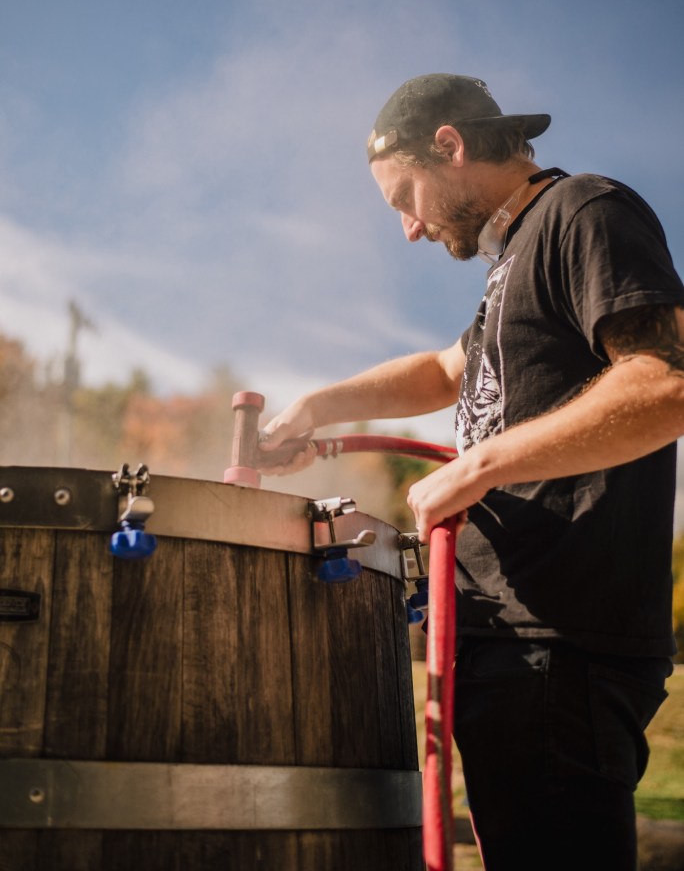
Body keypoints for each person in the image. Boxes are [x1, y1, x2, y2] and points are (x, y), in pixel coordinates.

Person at [258, 73, 684, 870]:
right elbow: (443, 371)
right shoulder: (511, 261)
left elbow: (666, 382)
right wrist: (318, 406)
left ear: (449, 145)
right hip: (512, 644)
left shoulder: (583, 211)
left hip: (560, 643)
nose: (410, 230)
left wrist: (475, 467)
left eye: (404, 199)